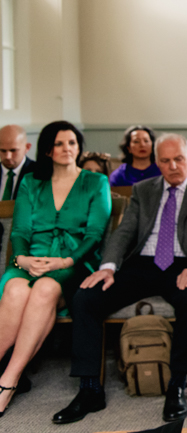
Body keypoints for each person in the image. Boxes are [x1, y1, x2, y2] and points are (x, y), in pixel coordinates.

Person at [53, 135, 187, 424]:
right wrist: (107, 267)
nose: (173, 166)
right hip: (142, 264)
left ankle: (176, 385)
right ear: (157, 163)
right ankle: (90, 389)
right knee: (86, 296)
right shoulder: (143, 189)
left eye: (179, 159)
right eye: (166, 161)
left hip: (183, 264)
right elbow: (124, 232)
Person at [0, 121, 111, 416]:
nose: (67, 149)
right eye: (59, 143)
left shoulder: (95, 182)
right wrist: (21, 259)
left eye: (72, 142)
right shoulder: (31, 182)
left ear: (79, 146)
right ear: (47, 149)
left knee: (45, 289)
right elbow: (20, 230)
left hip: (74, 263)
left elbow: (94, 234)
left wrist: (65, 261)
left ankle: (8, 380)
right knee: (14, 289)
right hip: (31, 260)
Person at [0, 124, 34, 201]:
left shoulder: (39, 173)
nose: (8, 156)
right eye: (3, 151)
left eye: (13, 150)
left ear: (27, 147)